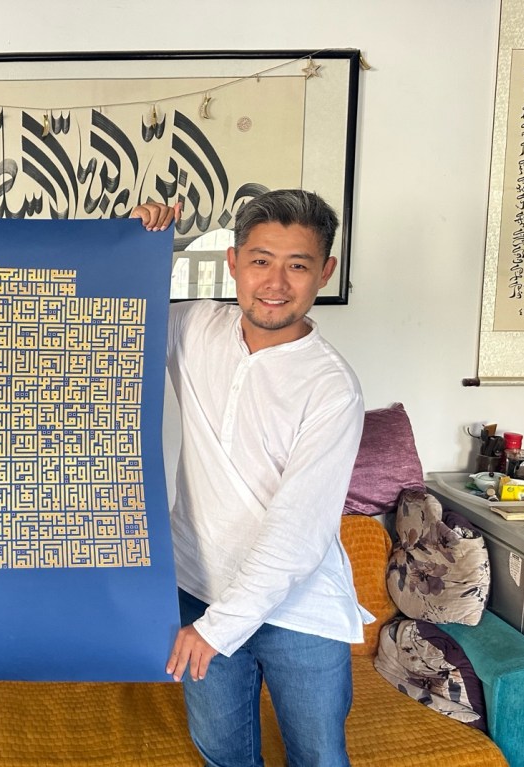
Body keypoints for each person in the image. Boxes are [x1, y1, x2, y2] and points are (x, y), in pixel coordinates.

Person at [133, 190, 370, 767]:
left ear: (325, 272)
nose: (275, 283)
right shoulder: (193, 327)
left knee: (319, 758)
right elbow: (108, 318)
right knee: (222, 755)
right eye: (261, 260)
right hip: (197, 588)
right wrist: (134, 246)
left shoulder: (331, 386)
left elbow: (297, 533)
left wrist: (218, 629)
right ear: (233, 263)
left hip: (300, 609)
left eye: (298, 265)